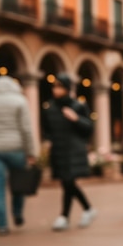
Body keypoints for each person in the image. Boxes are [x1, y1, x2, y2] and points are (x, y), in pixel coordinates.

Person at [42, 73, 97, 231]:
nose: (55, 89)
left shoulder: (78, 106)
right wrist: (48, 141)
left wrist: (76, 119)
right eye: (54, 86)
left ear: (66, 88)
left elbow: (89, 128)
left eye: (59, 86)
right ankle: (87, 209)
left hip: (73, 151)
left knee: (68, 182)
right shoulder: (50, 108)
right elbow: (47, 130)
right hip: (59, 150)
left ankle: (64, 216)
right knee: (67, 183)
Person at [0, 75, 38, 236]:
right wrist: (31, 153)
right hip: (16, 149)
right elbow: (27, 129)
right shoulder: (20, 100)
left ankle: (2, 224)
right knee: (19, 184)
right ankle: (17, 213)